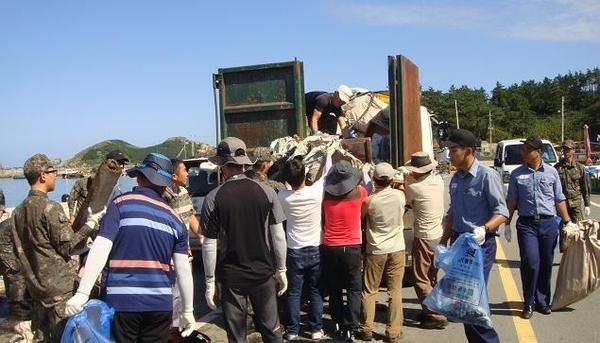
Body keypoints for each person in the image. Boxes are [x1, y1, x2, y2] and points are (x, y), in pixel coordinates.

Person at [65, 153, 196, 342]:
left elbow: (101, 247)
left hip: (122, 303)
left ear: (140, 177)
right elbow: (183, 270)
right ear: (165, 184)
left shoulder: (120, 205)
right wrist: (188, 311)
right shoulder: (174, 219)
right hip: (160, 306)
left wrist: (82, 293)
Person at [201, 137, 287, 343]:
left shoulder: (214, 197)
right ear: (243, 162)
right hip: (263, 273)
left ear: (221, 164)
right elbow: (278, 235)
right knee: (272, 331)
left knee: (237, 336)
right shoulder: (266, 191)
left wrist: (210, 281)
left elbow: (209, 244)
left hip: (231, 276)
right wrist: (282, 269)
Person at [10, 153, 104, 342]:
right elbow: (69, 246)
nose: (57, 175)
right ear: (42, 176)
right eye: (53, 171)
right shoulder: (50, 208)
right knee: (69, 335)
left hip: (36, 288)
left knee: (44, 337)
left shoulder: (18, 212)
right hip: (60, 290)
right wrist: (91, 224)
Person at [441, 129, 508, 343]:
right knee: (462, 301)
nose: (449, 154)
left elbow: (502, 212)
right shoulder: (456, 178)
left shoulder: (487, 176)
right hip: (459, 243)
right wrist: (442, 244)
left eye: (453, 149)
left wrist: (484, 228)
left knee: (470, 300)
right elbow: (452, 213)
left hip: (479, 245)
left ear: (468, 151)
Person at [505, 135, 577, 319]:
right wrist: (506, 222)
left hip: (548, 223)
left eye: (527, 149)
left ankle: (543, 301)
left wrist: (568, 222)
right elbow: (512, 200)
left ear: (538, 152)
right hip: (527, 224)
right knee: (530, 262)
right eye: (524, 149)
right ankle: (528, 302)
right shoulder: (517, 174)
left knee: (545, 263)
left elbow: (559, 198)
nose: (523, 152)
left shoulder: (551, 173)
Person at [278, 154, 331, 341]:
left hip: (294, 250)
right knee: (316, 290)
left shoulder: (283, 197)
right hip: (316, 247)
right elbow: (326, 172)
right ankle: (316, 328)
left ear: (286, 180)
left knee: (294, 291)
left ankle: (292, 330)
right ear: (305, 174)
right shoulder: (317, 192)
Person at [357, 162, 406, 342]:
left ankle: (366, 328)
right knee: (395, 291)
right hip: (397, 247)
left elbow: (360, 219)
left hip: (376, 249)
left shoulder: (370, 201)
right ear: (392, 179)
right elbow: (401, 188)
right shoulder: (400, 197)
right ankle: (393, 331)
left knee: (370, 289)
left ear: (374, 179)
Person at [321, 160, 367, 341]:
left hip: (331, 246)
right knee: (354, 288)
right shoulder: (361, 193)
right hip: (353, 246)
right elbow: (364, 210)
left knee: (334, 288)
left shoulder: (325, 196)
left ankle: (338, 322)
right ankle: (352, 326)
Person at [404, 152, 448, 329]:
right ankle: (431, 307)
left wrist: (405, 180)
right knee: (431, 275)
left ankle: (435, 315)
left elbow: (406, 202)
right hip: (439, 234)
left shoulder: (414, 188)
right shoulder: (437, 181)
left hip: (424, 236)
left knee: (420, 277)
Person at [164, 158, 203, 338]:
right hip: (170, 258)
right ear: (173, 175)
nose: (187, 173)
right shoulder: (164, 196)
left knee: (182, 297)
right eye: (184, 170)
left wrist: (201, 236)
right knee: (173, 298)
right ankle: (171, 333)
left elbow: (190, 217)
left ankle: (178, 331)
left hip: (184, 255)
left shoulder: (183, 191)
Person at [67, 149, 129, 223]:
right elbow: (72, 198)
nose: (118, 166)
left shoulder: (115, 188)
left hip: (100, 224)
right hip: (81, 220)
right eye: (116, 163)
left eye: (121, 164)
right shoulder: (83, 182)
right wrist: (72, 216)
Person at [554, 139, 591, 223]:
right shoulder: (557, 168)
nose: (566, 151)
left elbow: (585, 187)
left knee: (579, 231)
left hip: (576, 205)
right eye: (564, 149)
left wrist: (587, 204)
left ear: (573, 150)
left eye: (568, 149)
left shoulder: (579, 167)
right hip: (562, 205)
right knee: (564, 231)